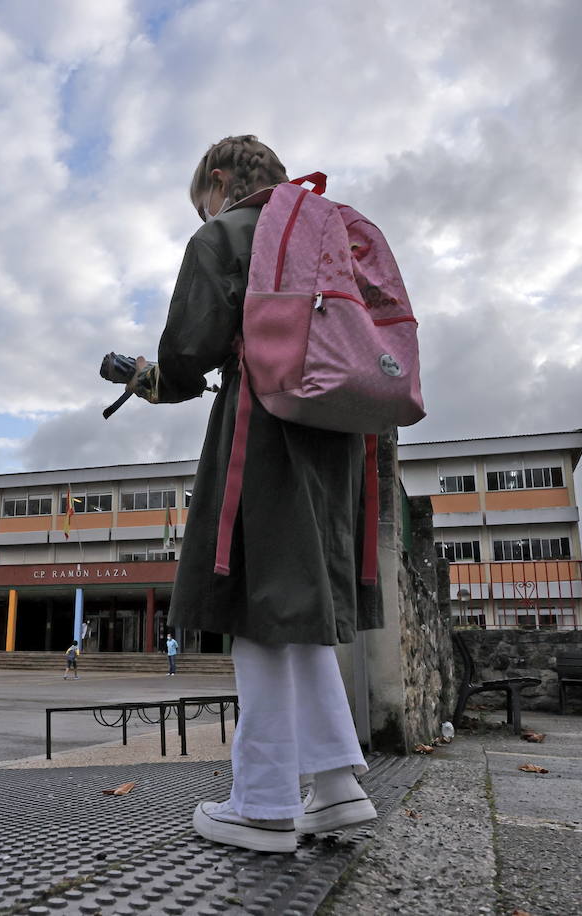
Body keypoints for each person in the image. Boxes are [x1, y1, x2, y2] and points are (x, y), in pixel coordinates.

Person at [132, 136, 381, 854]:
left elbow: (186, 353)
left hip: (262, 429)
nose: (201, 214)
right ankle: (337, 786)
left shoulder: (229, 233)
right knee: (296, 609)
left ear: (218, 181)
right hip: (337, 441)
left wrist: (147, 378)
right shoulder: (327, 228)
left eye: (200, 201)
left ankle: (264, 803)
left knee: (255, 604)